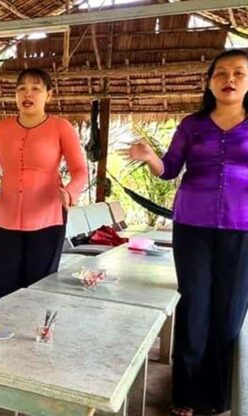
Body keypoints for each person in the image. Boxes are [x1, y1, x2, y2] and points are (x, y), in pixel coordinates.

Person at [120, 49, 248, 416]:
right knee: (194, 305)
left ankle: (218, 396)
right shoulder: (192, 125)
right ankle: (185, 394)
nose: (229, 79)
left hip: (242, 228)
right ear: (209, 82)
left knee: (230, 311)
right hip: (192, 225)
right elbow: (170, 169)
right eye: (221, 73)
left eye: (239, 73)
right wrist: (150, 157)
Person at [0, 68, 87, 300]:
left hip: (47, 218)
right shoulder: (2, 128)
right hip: (6, 218)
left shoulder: (61, 127)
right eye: (22, 89)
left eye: (35, 89)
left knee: (39, 289)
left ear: (49, 95)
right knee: (4, 288)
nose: (27, 94)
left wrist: (70, 193)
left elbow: (80, 171)